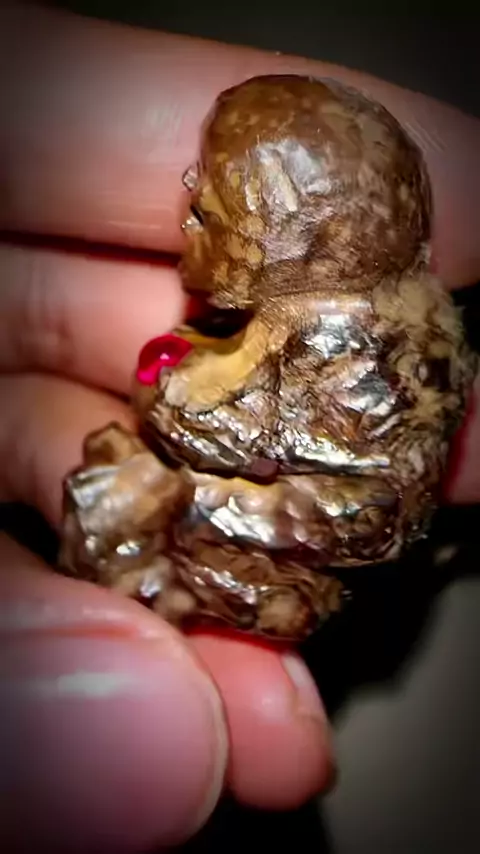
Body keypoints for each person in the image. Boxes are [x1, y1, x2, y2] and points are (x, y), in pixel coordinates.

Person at [0, 4, 478, 851]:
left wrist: (196, 497)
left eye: (214, 201)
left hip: (253, 560)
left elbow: (368, 518)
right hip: (209, 513)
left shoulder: (358, 357)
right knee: (105, 491)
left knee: (115, 512)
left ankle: (140, 578)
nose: (189, 203)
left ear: (292, 230)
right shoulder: (298, 325)